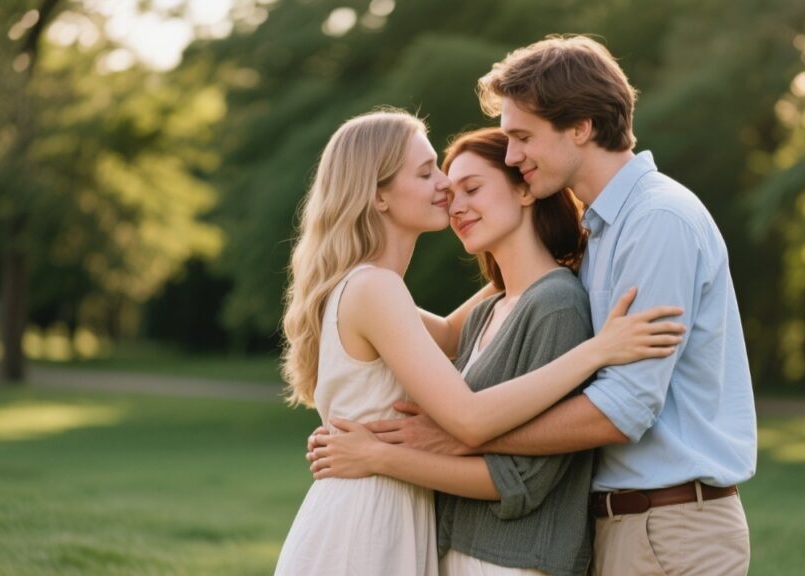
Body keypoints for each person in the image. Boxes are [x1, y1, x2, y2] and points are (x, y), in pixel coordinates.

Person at [333, 37, 759, 576]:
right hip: (623, 522)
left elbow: (621, 410)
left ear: (580, 126)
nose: (512, 156)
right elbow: (445, 332)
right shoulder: (598, 233)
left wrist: (462, 435)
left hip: (669, 523)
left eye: (522, 137)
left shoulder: (657, 221)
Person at [273, 109, 686, 575]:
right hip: (369, 516)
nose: (446, 186)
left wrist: (553, 247)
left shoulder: (365, 287)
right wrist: (599, 350)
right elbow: (469, 419)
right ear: (379, 196)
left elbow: (453, 332)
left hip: (379, 508)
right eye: (427, 172)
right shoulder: (376, 289)